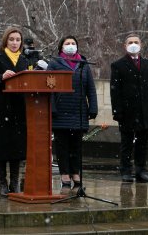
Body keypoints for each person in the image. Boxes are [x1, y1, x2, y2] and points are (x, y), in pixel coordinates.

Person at [47, 35, 98, 187]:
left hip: (79, 111)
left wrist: (93, 108)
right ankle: (64, 174)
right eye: (67, 43)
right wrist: (52, 108)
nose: (70, 45)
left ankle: (75, 172)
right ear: (61, 47)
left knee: (76, 145)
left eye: (73, 43)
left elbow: (91, 88)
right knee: (62, 145)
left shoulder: (83, 65)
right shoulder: (55, 63)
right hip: (61, 112)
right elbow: (48, 87)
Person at [110, 33, 148, 183]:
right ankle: (125, 170)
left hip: (145, 110)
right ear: (125, 46)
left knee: (142, 143)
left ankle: (141, 170)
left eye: (136, 42)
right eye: (130, 42)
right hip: (127, 111)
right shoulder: (118, 65)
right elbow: (115, 91)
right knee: (127, 143)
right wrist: (117, 111)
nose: (133, 44)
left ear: (141, 45)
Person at [0, 27, 28, 197]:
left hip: (20, 107)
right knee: (1, 145)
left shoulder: (25, 60)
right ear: (5, 41)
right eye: (11, 39)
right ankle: (2, 182)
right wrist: (2, 77)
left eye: (18, 40)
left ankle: (15, 182)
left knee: (17, 146)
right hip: (1, 106)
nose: (15, 43)